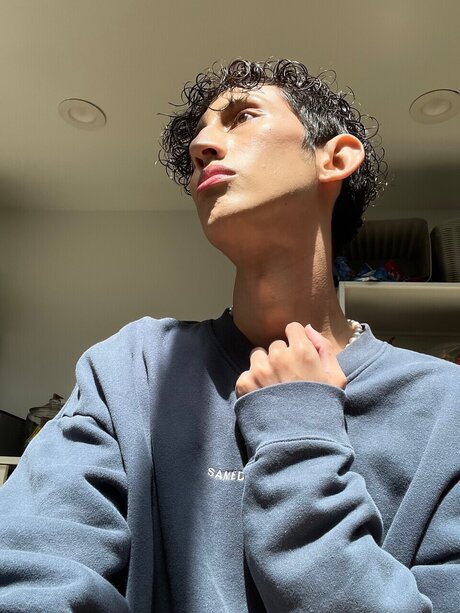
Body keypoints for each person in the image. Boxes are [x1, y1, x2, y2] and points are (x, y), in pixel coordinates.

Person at [0, 58, 459, 612]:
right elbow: (34, 567)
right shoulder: (132, 368)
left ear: (335, 157)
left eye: (242, 116)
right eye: (199, 136)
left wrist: (298, 438)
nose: (202, 147)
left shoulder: (447, 406)